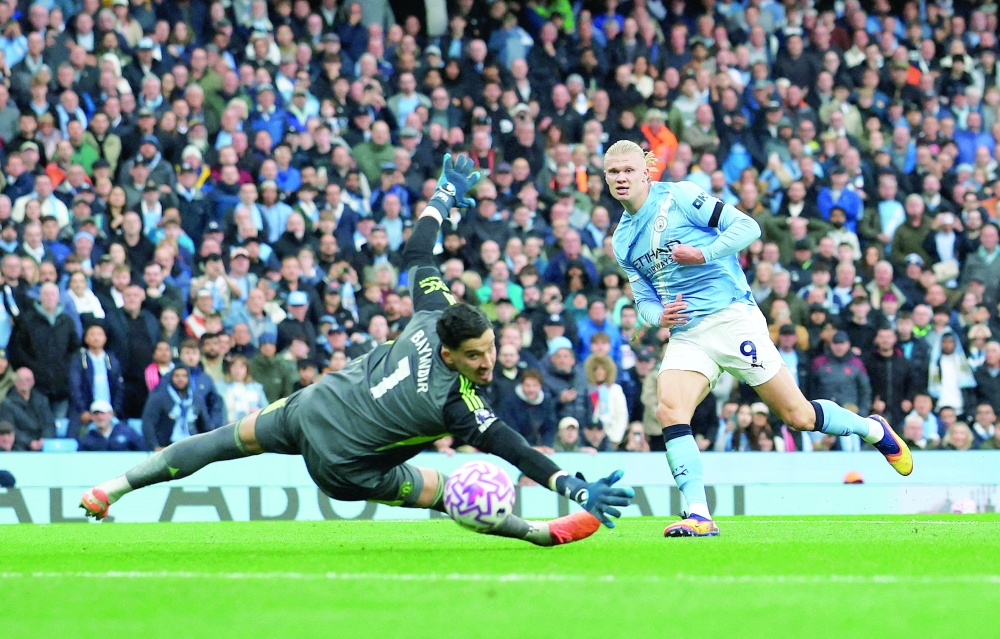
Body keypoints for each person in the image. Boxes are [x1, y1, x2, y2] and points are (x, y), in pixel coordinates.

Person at [81, 155, 634, 546]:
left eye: (491, 349)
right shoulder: (457, 405)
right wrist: (571, 484)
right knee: (452, 492)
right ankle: (540, 534)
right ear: (449, 354)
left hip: (315, 405)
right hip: (345, 466)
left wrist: (443, 195)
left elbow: (419, 249)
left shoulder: (431, 313)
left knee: (224, 443)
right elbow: (515, 449)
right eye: (475, 358)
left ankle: (111, 489)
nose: (488, 362)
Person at [605, 140, 912, 538]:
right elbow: (643, 297)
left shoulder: (680, 196)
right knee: (669, 410)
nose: (622, 178)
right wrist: (656, 316)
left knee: (798, 416)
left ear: (646, 171)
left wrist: (704, 253)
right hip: (687, 334)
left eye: (629, 170)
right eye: (614, 172)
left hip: (732, 318)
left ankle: (873, 430)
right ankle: (698, 514)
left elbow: (749, 227)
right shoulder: (621, 239)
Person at [0, 368, 55, 451]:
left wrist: (44, 439)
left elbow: (49, 423)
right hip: (19, 446)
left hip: (43, 444)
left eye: (28, 379)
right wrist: (29, 442)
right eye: (20, 379)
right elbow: (9, 429)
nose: (24, 382)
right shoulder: (6, 404)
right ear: (15, 381)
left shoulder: (42, 400)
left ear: (33, 381)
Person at [77, 399, 146, 451]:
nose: (100, 417)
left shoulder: (127, 432)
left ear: (111, 415)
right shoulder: (87, 439)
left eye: (103, 413)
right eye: (96, 414)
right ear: (91, 417)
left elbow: (142, 450)